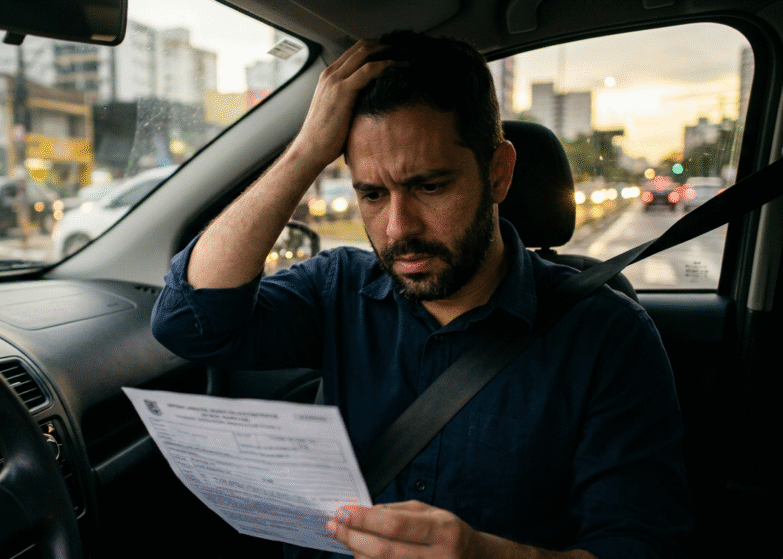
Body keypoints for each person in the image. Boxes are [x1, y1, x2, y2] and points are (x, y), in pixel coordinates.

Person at [151, 31, 691, 559]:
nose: (397, 229)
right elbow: (188, 322)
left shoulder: (605, 336)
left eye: (430, 186)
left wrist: (486, 557)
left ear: (499, 174)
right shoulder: (337, 288)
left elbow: (641, 544)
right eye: (372, 194)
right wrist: (306, 153)